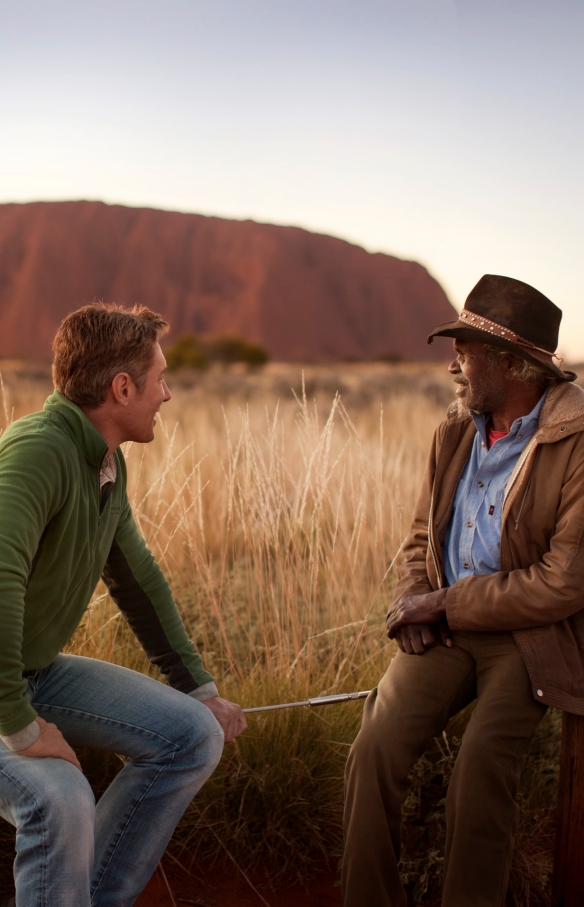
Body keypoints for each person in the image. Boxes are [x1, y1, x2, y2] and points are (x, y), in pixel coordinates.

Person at [342, 274, 584, 907]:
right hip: (445, 628)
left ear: (512, 362)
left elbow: (565, 582)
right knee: (373, 751)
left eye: (466, 351)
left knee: (481, 770)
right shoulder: (454, 429)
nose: (454, 365)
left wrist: (445, 602)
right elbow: (421, 533)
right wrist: (414, 600)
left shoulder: (576, 441)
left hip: (527, 638)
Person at [0, 303, 247, 907]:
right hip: (5, 689)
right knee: (60, 799)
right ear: (122, 387)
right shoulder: (40, 451)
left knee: (192, 735)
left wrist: (199, 690)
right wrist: (19, 726)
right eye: (160, 378)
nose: (167, 393)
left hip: (33, 673)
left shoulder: (105, 462)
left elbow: (138, 580)